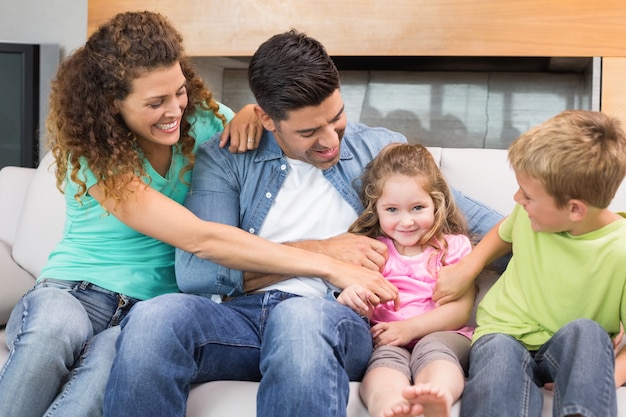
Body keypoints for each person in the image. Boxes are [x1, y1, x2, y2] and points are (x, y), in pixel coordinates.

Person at [0, 12, 395, 417]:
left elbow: (267, 121)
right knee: (55, 328)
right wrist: (327, 258)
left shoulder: (204, 123)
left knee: (113, 360)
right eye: (155, 102)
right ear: (111, 103)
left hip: (142, 312)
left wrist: (245, 113)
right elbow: (199, 240)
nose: (174, 110)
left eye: (180, 92)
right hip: (77, 291)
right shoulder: (95, 153)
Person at [103, 30, 503, 417]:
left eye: (337, 117)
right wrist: (324, 252)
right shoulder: (226, 157)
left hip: (333, 318)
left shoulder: (378, 149)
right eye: (309, 131)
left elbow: (485, 224)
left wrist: (476, 267)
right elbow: (198, 271)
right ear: (267, 119)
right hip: (240, 321)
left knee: (299, 317)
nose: (331, 141)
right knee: (153, 317)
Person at [433, 110, 626, 416]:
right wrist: (467, 267)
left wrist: (609, 376)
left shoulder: (621, 250)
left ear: (575, 209)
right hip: (503, 334)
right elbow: (504, 232)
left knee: (588, 334)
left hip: (567, 349)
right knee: (496, 355)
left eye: (527, 195)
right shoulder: (527, 213)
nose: (517, 198)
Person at [335, 143, 475, 417]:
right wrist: (352, 299)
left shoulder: (453, 247)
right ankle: (388, 405)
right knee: (382, 365)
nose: (406, 221)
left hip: (444, 334)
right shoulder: (371, 250)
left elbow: (460, 310)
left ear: (437, 202)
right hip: (388, 339)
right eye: (392, 210)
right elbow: (366, 309)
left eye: (418, 207)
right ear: (375, 209)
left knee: (435, 352)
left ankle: (438, 398)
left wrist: (410, 329)